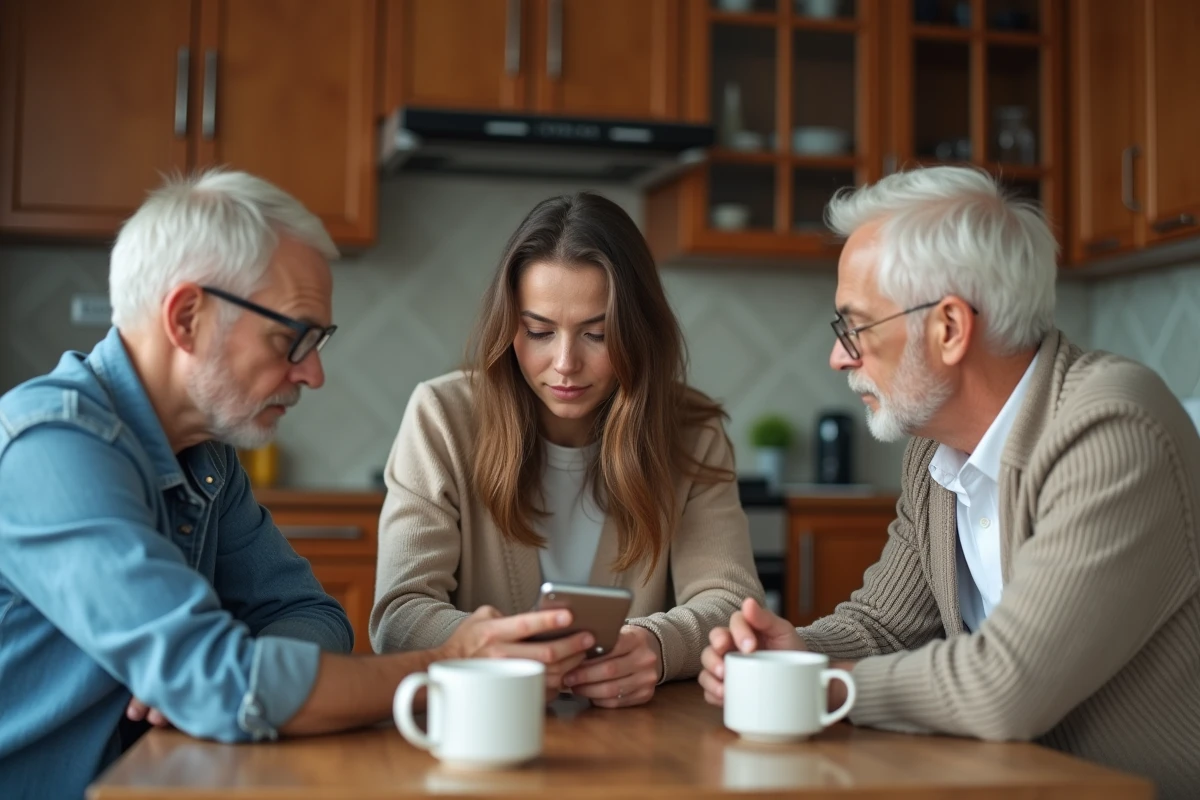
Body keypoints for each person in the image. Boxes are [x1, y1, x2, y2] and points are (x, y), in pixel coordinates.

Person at [0, 170, 586, 800]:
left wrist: (233, 674)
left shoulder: (206, 459)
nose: (314, 373)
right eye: (292, 338)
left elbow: (312, 616)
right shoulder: (49, 448)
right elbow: (222, 683)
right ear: (187, 317)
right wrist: (445, 662)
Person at [698, 166, 1200, 798]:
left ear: (950, 328)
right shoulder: (935, 452)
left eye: (854, 326)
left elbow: (1007, 687)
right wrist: (791, 652)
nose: (839, 356)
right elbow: (884, 626)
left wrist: (819, 685)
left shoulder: (1113, 429)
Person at [371, 191, 764, 707]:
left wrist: (657, 646)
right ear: (509, 326)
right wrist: (485, 648)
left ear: (638, 333)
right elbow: (399, 614)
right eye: (538, 331)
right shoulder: (442, 417)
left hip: (636, 742)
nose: (564, 363)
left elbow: (731, 602)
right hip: (482, 727)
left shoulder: (691, 433)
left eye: (597, 335)